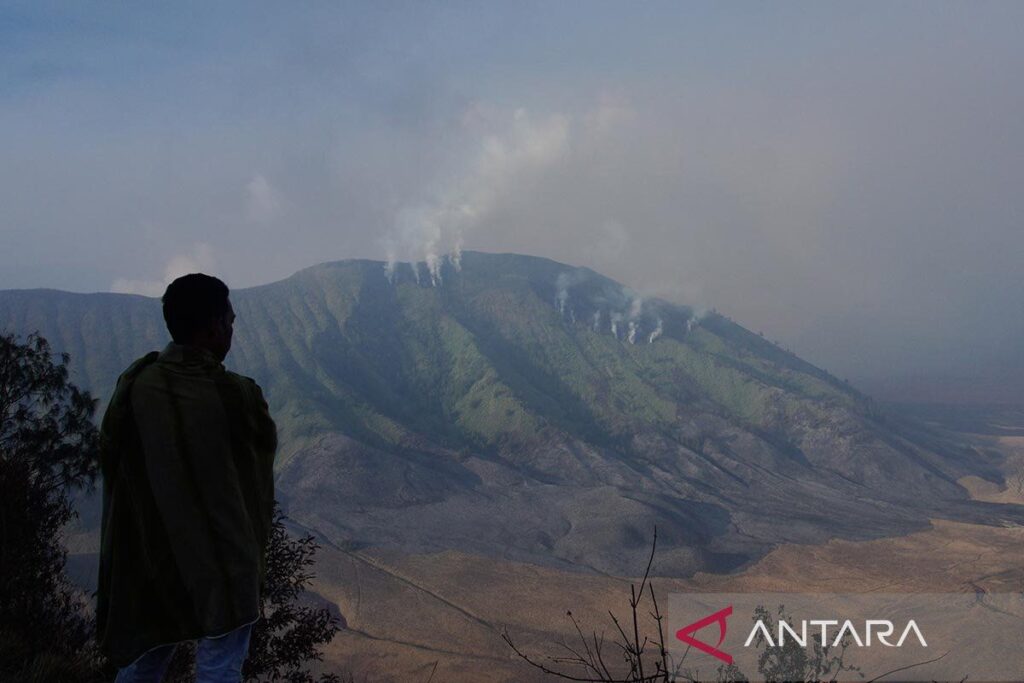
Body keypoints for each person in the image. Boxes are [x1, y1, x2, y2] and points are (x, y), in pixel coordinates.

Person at [96, 273, 277, 682]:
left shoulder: (135, 386)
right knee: (220, 666)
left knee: (144, 660)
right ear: (214, 327)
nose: (231, 331)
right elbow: (260, 445)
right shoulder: (236, 395)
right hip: (222, 563)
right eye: (230, 323)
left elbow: (112, 453)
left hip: (149, 557)